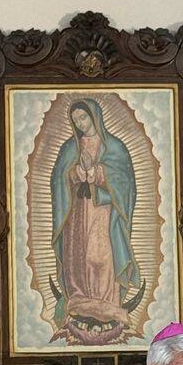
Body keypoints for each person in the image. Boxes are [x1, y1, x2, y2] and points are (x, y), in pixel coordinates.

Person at [50, 97, 142, 344]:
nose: (80, 123)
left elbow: (126, 182)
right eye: (76, 119)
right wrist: (74, 174)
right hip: (77, 213)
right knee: (78, 256)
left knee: (100, 256)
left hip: (103, 212)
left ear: (95, 116)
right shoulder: (70, 148)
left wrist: (99, 173)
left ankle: (107, 303)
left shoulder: (115, 147)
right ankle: (80, 299)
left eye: (84, 117)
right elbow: (58, 178)